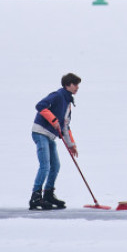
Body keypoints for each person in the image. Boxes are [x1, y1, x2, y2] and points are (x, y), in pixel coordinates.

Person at [29, 72, 80, 210]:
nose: (77, 87)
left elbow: (65, 126)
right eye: (75, 84)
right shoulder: (57, 95)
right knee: (45, 165)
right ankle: (35, 197)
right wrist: (53, 120)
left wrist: (71, 145)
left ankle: (48, 194)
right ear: (67, 85)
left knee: (55, 166)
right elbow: (40, 106)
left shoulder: (68, 102)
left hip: (50, 136)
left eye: (78, 85)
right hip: (40, 132)